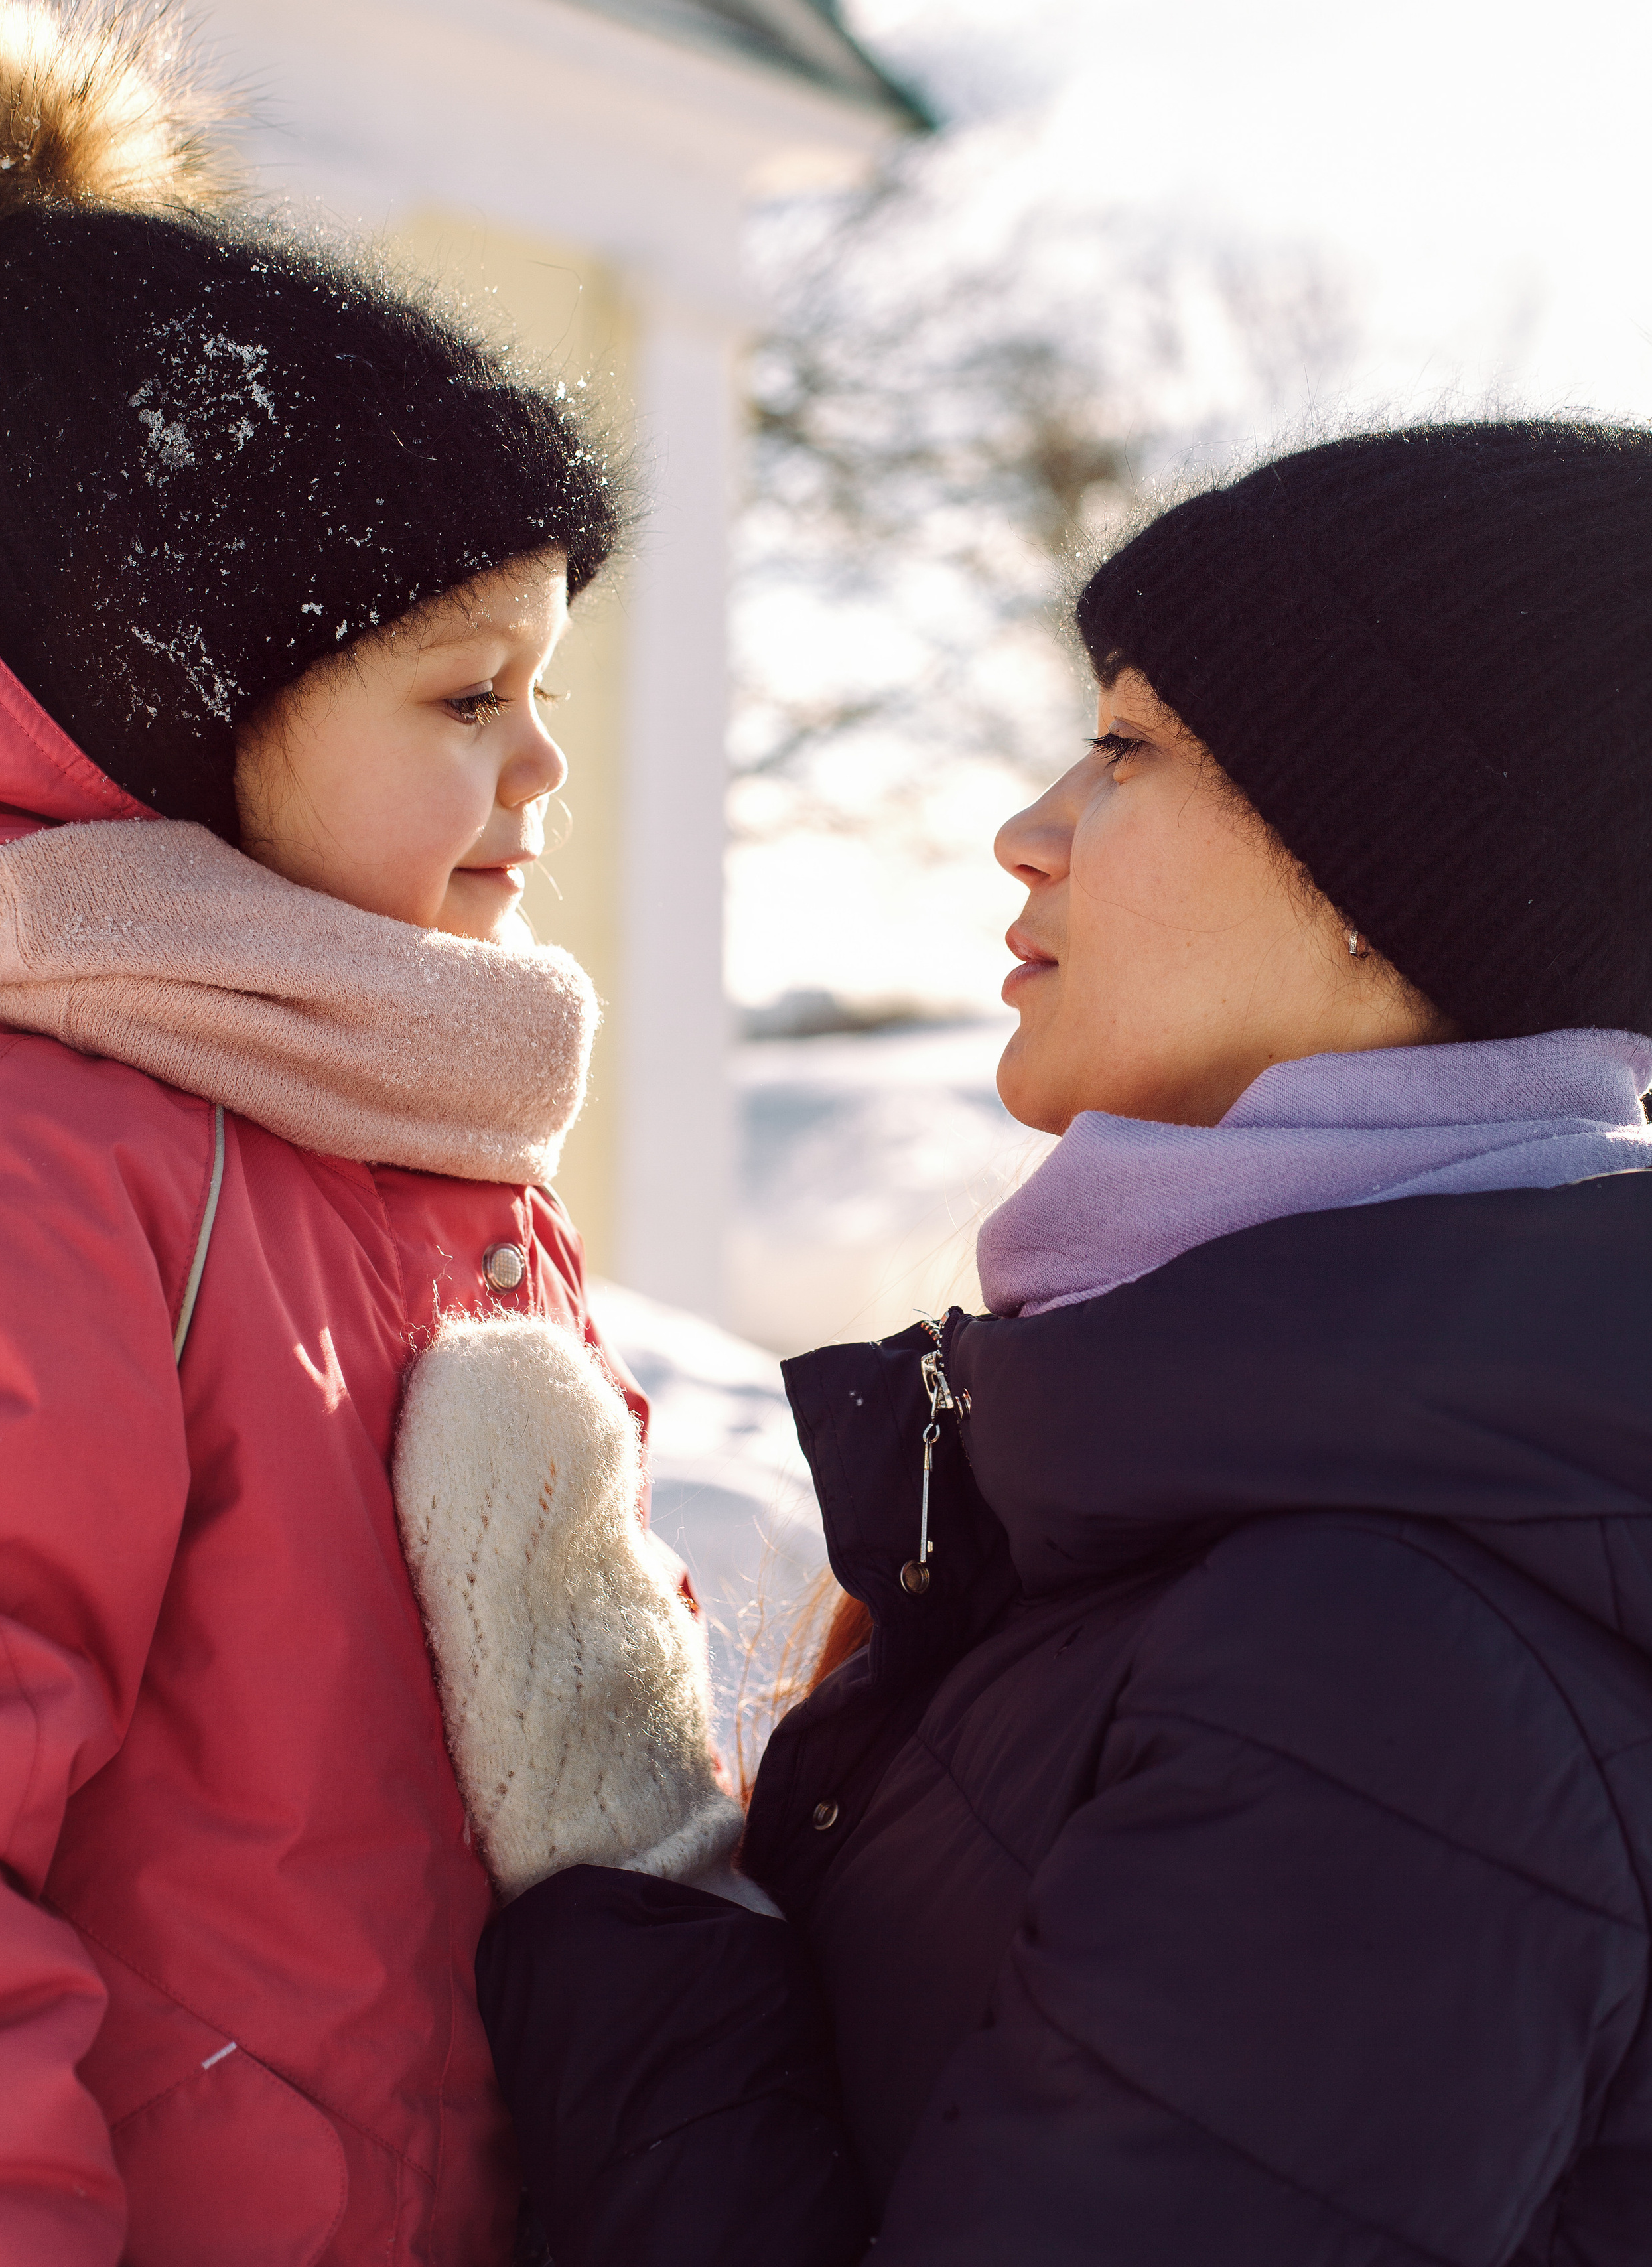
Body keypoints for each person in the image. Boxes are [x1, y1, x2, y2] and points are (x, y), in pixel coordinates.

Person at [483, 419, 1652, 2265]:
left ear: (1396, 876)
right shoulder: (1233, 1495)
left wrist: (610, 1936)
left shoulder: (1378, 1672)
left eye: (1125, 749)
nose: (1026, 828)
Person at [0, 0, 749, 2264]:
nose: (544, 765)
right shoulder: (37, 1148)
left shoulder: (384, 1116)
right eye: (464, 694)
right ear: (180, 696)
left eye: (550, 685)